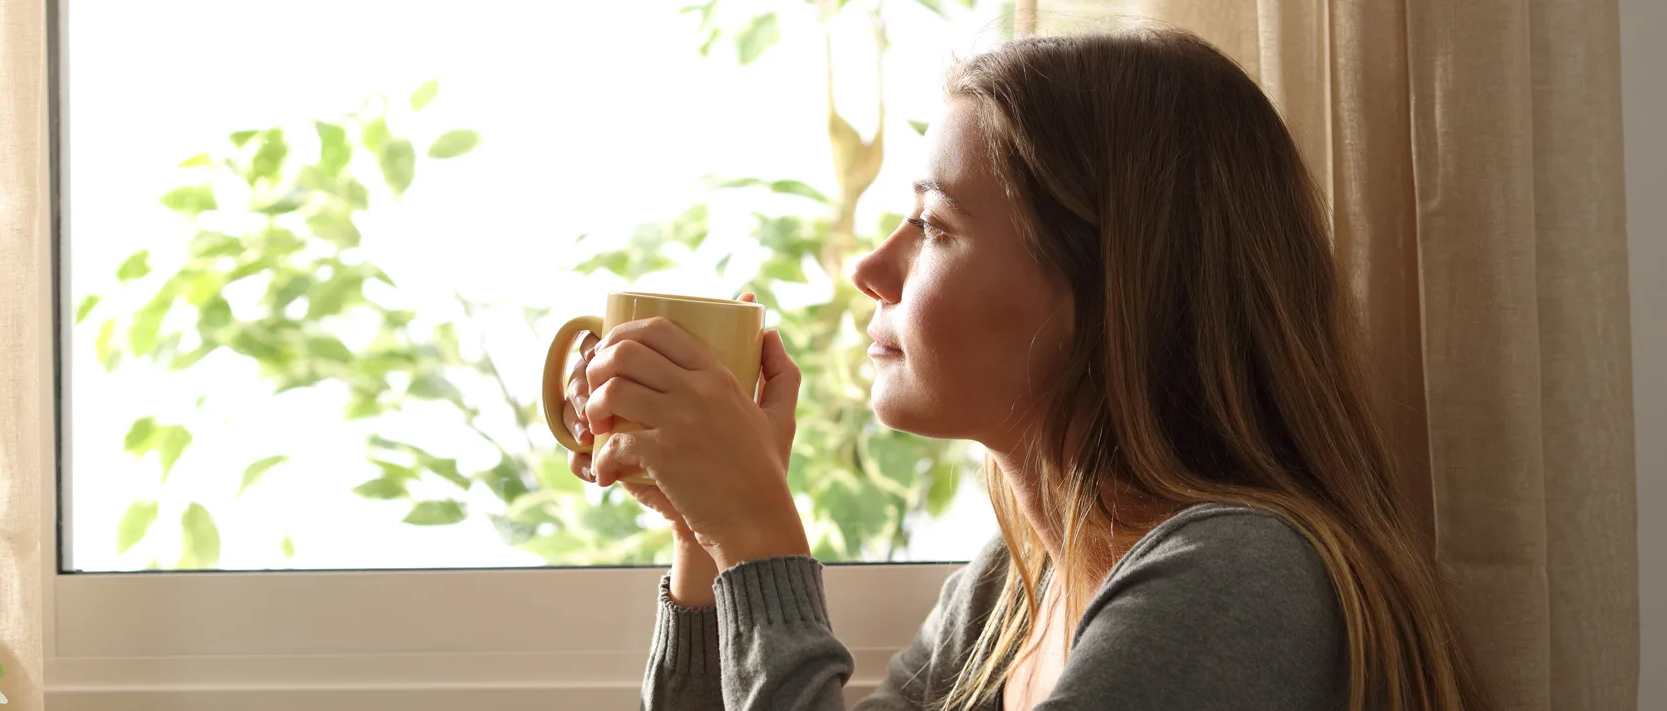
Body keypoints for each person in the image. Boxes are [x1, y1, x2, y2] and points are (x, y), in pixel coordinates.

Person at [556, 28, 1489, 711]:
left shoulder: (1241, 578)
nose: (872, 269)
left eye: (934, 227)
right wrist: (705, 539)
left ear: (1106, 290)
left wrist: (761, 536)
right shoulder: (1016, 584)